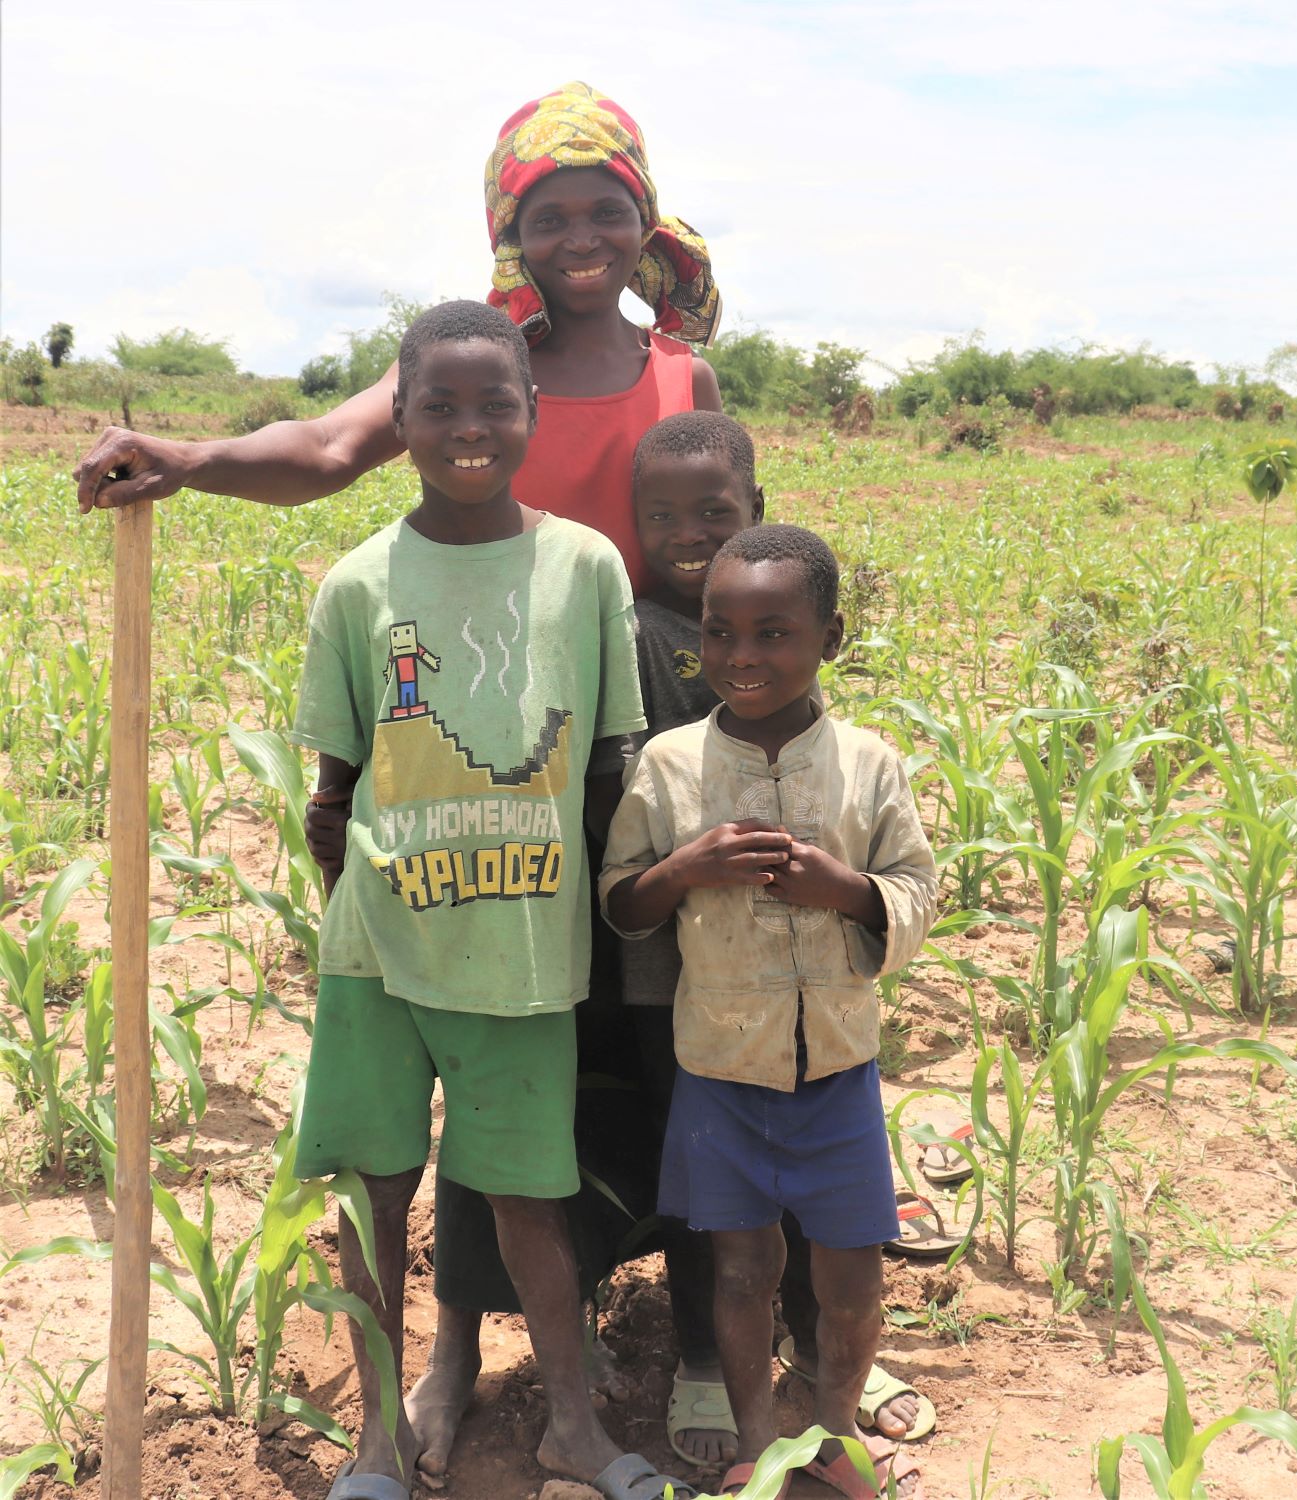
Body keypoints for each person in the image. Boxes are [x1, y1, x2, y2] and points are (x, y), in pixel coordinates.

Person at [75, 80, 935, 1480]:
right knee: (509, 1044)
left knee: (693, 1038)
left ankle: (767, 1324)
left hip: (644, 749)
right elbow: (328, 450)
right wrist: (185, 459)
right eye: (550, 214)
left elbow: (728, 528)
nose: (580, 235)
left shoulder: (678, 370)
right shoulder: (487, 359)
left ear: (646, 223)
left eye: (607, 210)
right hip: (508, 779)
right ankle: (462, 1352)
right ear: (508, 230)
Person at [289, 300, 688, 1500]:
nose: (469, 426)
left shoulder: (584, 567)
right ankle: (374, 1446)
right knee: (377, 1206)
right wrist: (380, 898)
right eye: (440, 404)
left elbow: (612, 771)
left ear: (533, 413)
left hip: (522, 959)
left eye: (494, 402)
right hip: (381, 962)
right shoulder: (359, 588)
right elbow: (332, 794)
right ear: (399, 417)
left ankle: (572, 1425)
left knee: (530, 1202)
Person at [601, 525, 937, 1500]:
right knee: (740, 1268)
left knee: (850, 1280)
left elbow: (916, 882)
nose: (742, 658)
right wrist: (683, 870)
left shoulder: (869, 765)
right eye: (721, 634)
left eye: (773, 634)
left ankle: (834, 1434)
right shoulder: (668, 766)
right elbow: (620, 899)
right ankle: (758, 1441)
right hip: (718, 1068)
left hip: (836, 1068)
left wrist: (852, 892)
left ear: (829, 638)